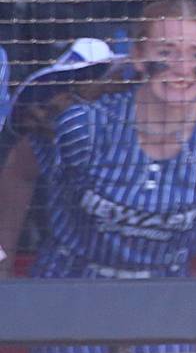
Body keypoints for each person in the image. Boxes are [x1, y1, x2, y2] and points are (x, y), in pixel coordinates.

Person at [21, 3, 196, 353]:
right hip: (71, 286)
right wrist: (2, 260)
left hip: (164, 293)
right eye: (167, 53)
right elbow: (18, 175)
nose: (182, 68)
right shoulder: (85, 126)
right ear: (139, 59)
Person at [0, 38, 121, 280]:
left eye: (94, 75)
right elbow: (17, 180)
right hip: (63, 281)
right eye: (76, 79)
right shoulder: (42, 141)